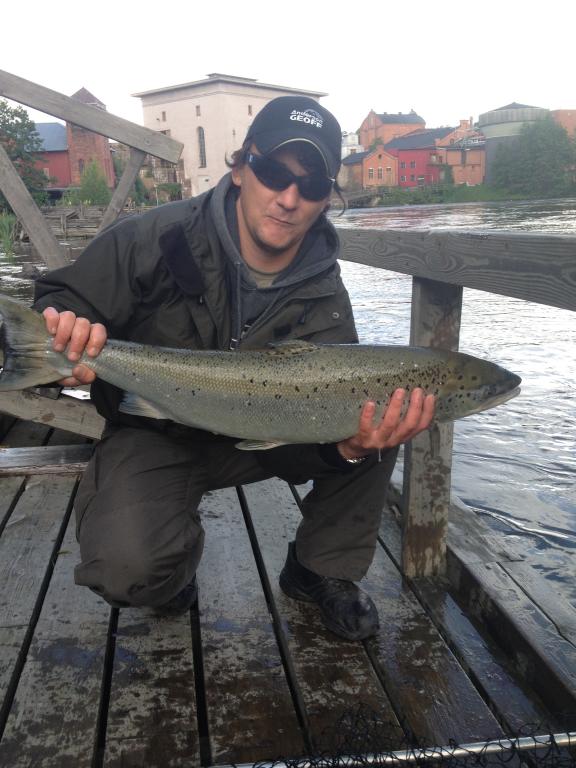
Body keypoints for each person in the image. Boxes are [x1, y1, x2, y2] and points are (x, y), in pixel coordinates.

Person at [33, 96, 435, 641]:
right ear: (243, 166)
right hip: (156, 430)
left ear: (327, 198)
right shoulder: (156, 237)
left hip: (263, 437)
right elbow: (63, 297)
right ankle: (170, 570)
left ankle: (319, 569)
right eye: (274, 173)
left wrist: (347, 448)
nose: (288, 198)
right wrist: (64, 329)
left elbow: (300, 449)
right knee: (127, 570)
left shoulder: (327, 296)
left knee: (385, 416)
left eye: (311, 185)